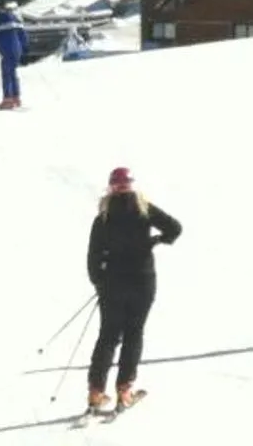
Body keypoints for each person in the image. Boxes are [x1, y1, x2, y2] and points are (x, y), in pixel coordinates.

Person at [86, 167, 181, 414]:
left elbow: (93, 258)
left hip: (113, 285)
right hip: (142, 282)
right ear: (131, 185)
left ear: (111, 187)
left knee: (107, 336)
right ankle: (124, 391)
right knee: (133, 334)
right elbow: (174, 228)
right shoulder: (144, 208)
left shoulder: (103, 217)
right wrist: (156, 240)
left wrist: (100, 283)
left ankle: (95, 394)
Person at [0, 5, 29, 109]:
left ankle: (8, 99)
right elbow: (24, 36)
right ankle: (16, 98)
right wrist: (25, 48)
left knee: (6, 74)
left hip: (6, 50)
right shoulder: (16, 20)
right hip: (17, 50)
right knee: (13, 73)